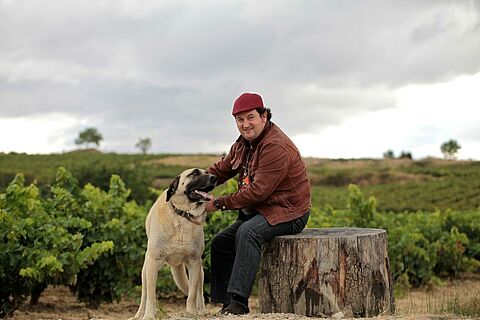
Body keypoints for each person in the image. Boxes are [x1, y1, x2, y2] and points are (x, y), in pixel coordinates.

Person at [204, 92, 311, 315]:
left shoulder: (275, 147)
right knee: (221, 242)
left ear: (264, 116)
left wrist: (219, 204)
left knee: (248, 233)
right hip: (259, 211)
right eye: (239, 120)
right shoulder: (243, 144)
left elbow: (257, 193)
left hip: (288, 212)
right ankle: (226, 305)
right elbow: (222, 169)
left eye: (250, 117)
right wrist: (194, 183)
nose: (245, 124)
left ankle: (238, 304)